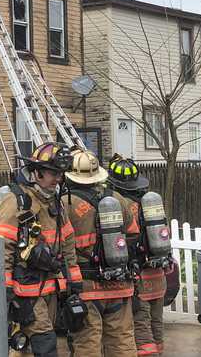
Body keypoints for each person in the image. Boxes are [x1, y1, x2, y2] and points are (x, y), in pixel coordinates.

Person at [0, 142, 80, 357]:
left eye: (60, 175)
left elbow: (67, 244)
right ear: (37, 172)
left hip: (50, 287)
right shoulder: (17, 202)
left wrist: (73, 280)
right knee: (44, 342)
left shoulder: (56, 203)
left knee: (27, 347)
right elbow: (2, 248)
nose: (58, 180)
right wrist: (4, 288)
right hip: (25, 290)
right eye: (53, 174)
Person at [63, 150, 140, 357]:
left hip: (87, 288)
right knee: (122, 340)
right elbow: (133, 236)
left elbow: (58, 245)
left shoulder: (65, 204)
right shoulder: (117, 199)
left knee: (88, 342)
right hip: (120, 284)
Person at [109, 156, 166, 357]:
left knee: (140, 326)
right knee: (157, 325)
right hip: (158, 275)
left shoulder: (118, 206)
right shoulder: (150, 203)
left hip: (138, 277)